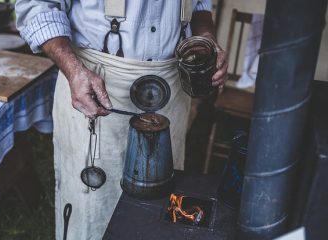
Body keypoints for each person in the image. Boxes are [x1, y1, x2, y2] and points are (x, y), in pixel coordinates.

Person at [15, 0, 227, 239]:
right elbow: (38, 6)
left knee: (160, 202)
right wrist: (74, 70)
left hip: (171, 88)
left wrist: (207, 40)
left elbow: (200, 6)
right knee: (93, 207)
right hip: (94, 82)